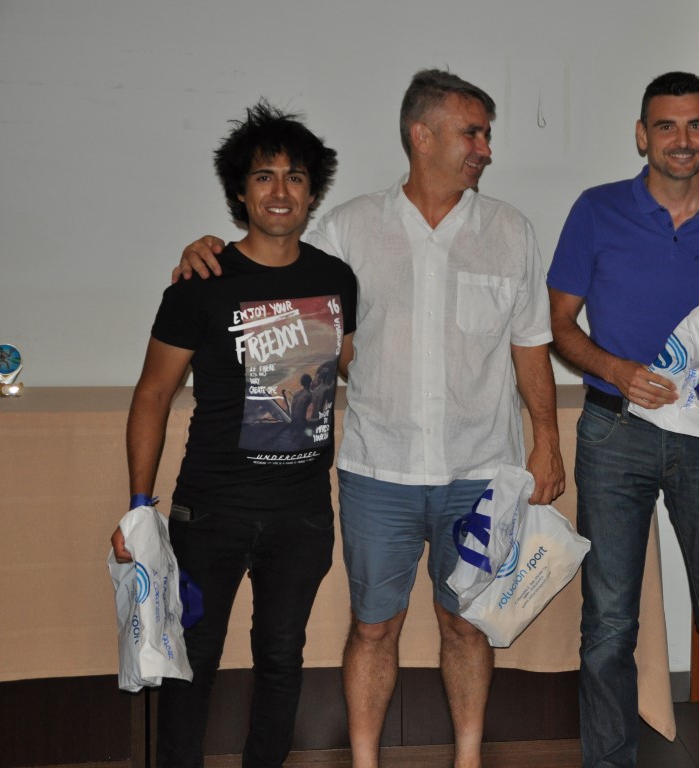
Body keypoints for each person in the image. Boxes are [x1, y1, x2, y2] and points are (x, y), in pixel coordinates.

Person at [176, 69, 565, 768]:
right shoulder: (349, 228)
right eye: (472, 133)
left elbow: (530, 346)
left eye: (486, 135)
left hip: (480, 472)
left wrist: (548, 444)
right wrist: (206, 252)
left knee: (466, 626)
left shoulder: (510, 230)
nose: (485, 148)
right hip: (377, 472)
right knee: (374, 627)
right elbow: (277, 265)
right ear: (423, 136)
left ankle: (467, 760)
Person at [110, 100, 357, 767]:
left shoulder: (335, 280)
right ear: (240, 191)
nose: (280, 191)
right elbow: (152, 394)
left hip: (302, 517)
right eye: (263, 176)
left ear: (312, 192)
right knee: (191, 661)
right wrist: (139, 505)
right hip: (210, 512)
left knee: (282, 658)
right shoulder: (201, 284)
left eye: (295, 177)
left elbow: (353, 366)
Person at [548, 71, 699, 768]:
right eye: (666, 126)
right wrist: (615, 369)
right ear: (642, 135)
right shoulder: (596, 210)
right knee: (610, 622)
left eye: (696, 125)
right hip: (615, 431)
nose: (682, 139)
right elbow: (559, 325)